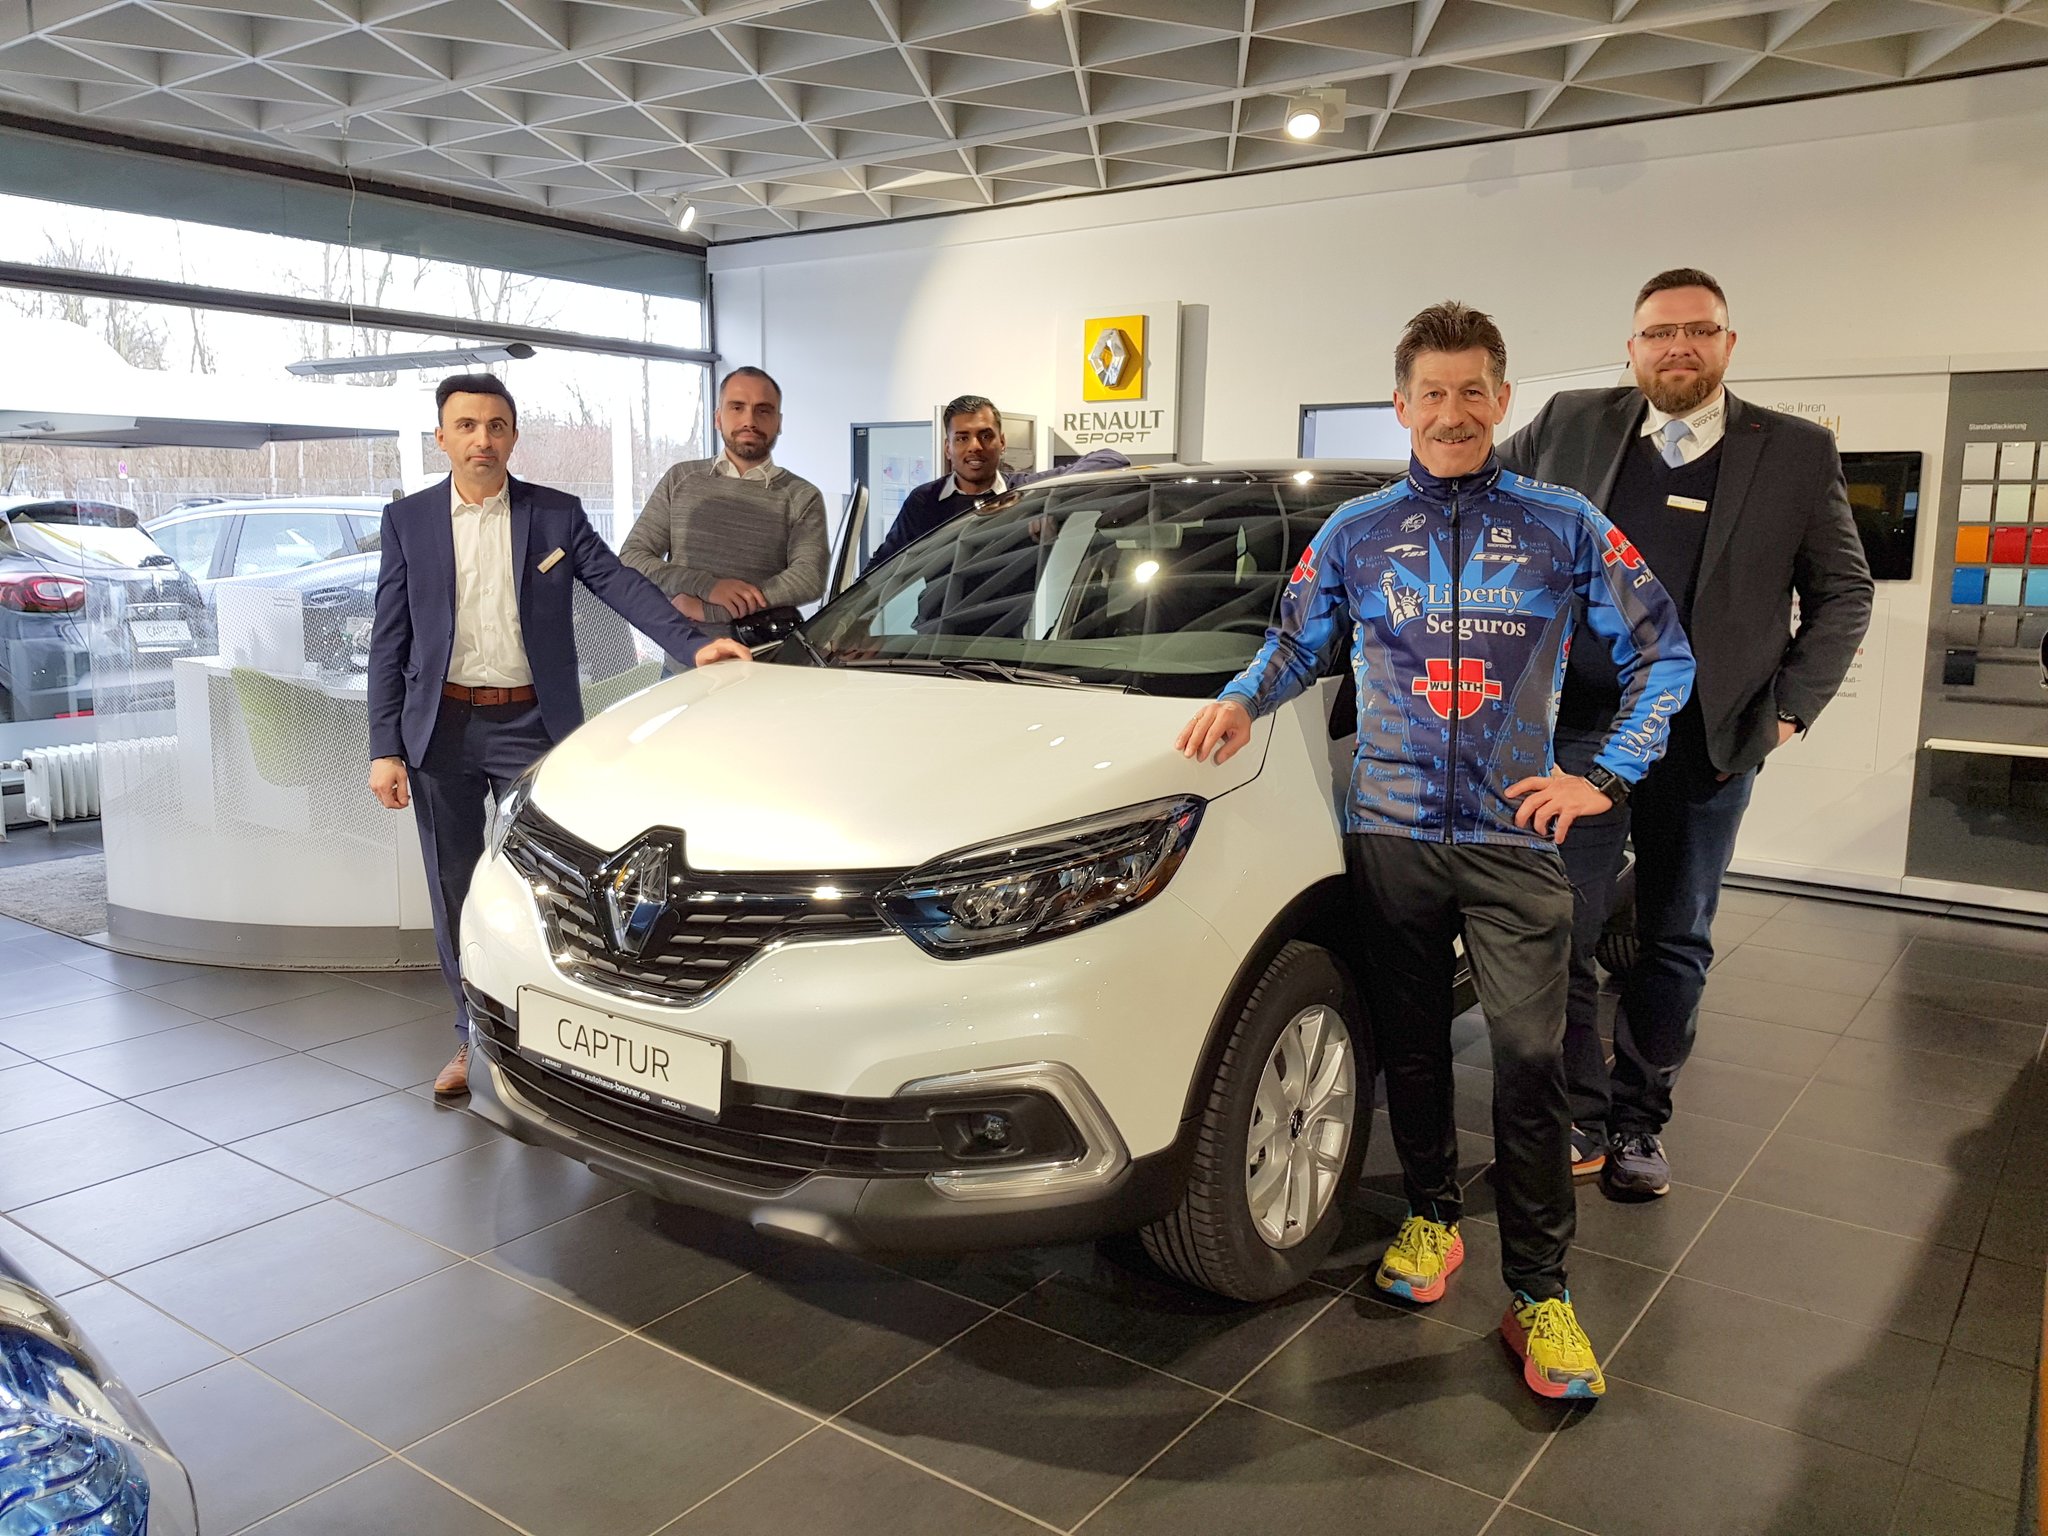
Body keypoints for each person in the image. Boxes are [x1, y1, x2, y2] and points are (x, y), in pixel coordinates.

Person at [1176, 302, 1695, 1401]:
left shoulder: (1562, 523)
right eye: (1431, 394)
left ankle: (1541, 1294)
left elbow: (1664, 655)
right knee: (1408, 1047)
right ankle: (1427, 1217)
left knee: (1529, 1061)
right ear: (1400, 405)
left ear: (1500, 401)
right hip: (1389, 833)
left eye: (1471, 392)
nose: (1451, 413)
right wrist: (1239, 699)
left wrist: (1603, 776)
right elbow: (1293, 641)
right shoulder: (1356, 532)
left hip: (1517, 839)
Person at [1497, 268, 1872, 1199]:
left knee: (1672, 937)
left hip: (1708, 738)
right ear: (1631, 348)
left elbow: (1843, 592)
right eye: (1659, 333)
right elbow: (1476, 488)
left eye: (1698, 331)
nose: (1678, 348)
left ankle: (1639, 1120)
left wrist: (1789, 709)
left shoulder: (1795, 452)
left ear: (1728, 345)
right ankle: (1580, 1114)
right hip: (1579, 735)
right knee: (1560, 928)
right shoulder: (1571, 423)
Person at [368, 374, 749, 1097]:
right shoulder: (407, 522)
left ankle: (553, 1034)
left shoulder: (554, 515)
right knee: (455, 888)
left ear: (513, 435)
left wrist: (694, 644)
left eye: (497, 425)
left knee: (552, 888)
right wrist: (384, 746)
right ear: (441, 437)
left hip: (533, 726)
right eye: (467, 426)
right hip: (441, 730)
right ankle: (470, 1037)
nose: (483, 439)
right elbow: (390, 641)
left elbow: (619, 583)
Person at [620, 366, 828, 639]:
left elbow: (808, 577)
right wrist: (707, 586)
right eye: (737, 407)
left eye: (763, 410)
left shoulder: (802, 495)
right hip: (686, 652)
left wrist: (713, 610)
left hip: (767, 654)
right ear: (718, 418)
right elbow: (633, 557)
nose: (750, 420)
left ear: (778, 422)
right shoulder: (680, 479)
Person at [863, 395, 1128, 571]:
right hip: (934, 635)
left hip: (1006, 636)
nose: (975, 447)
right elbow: (883, 565)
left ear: (1002, 442)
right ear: (947, 448)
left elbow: (1112, 459)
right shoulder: (925, 501)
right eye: (962, 438)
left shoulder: (1027, 491)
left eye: (985, 436)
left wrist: (1051, 502)